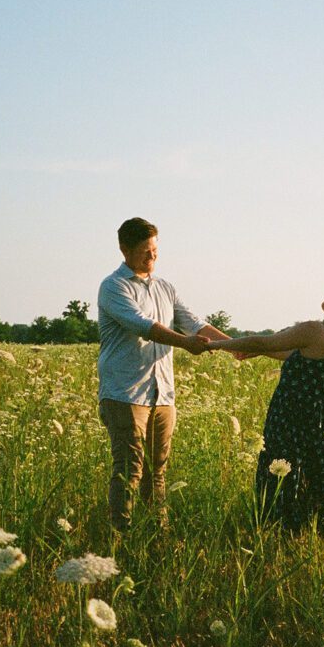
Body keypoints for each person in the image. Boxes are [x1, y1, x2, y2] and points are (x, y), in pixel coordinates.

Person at [208, 285, 324, 531]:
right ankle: (318, 536)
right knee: (318, 480)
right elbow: (288, 352)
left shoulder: (314, 330)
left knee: (284, 477)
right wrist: (258, 351)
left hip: (291, 419)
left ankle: (282, 534)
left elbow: (264, 342)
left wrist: (213, 344)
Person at [97, 217, 232, 531]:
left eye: (155, 250)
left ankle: (158, 533)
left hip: (163, 394)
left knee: (157, 472)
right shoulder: (114, 286)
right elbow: (143, 326)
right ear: (124, 249)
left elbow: (194, 324)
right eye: (145, 251)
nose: (152, 257)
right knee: (129, 470)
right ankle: (121, 535)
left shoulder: (166, 288)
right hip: (125, 393)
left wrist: (236, 346)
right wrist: (186, 344)